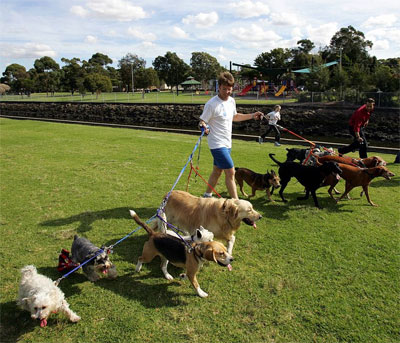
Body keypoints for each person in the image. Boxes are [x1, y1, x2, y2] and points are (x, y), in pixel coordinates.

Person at [198, 72, 263, 199]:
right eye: (224, 89)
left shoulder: (232, 101)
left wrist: (252, 115)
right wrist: (203, 126)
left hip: (227, 143)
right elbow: (202, 121)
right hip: (216, 144)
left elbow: (235, 116)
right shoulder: (211, 104)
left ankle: (207, 195)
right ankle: (236, 202)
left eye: (230, 89)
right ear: (219, 87)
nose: (227, 92)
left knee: (217, 171)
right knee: (231, 172)